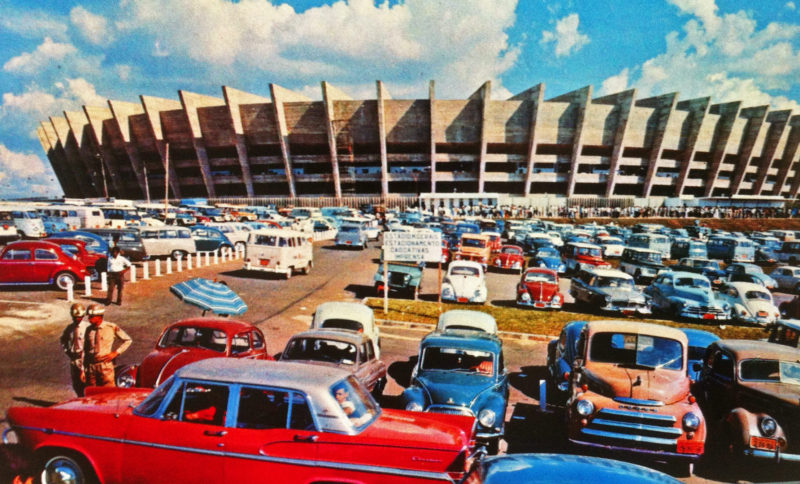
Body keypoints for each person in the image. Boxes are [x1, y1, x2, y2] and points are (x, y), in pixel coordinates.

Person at [83, 304, 132, 387]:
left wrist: (116, 353)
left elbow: (128, 340)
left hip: (105, 366)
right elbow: (86, 349)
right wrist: (84, 368)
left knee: (108, 392)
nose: (89, 319)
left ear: (99, 316)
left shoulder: (111, 327)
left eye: (92, 317)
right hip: (91, 366)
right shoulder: (88, 330)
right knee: (92, 393)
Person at [59, 303, 89, 396]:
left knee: (86, 384)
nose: (77, 319)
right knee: (76, 385)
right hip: (74, 359)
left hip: (85, 359)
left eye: (80, 317)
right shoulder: (70, 328)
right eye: (75, 317)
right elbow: (63, 339)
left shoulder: (88, 327)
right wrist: (67, 351)